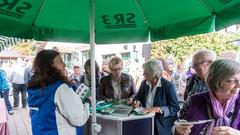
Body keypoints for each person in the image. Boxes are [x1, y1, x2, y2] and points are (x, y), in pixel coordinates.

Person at [27, 50, 89, 135]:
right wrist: (87, 104)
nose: (64, 65)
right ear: (50, 65)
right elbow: (78, 119)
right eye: (60, 61)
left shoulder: (33, 87)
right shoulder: (60, 88)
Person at [175, 59, 240, 135]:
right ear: (215, 81)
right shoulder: (194, 100)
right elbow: (180, 122)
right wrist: (178, 130)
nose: (239, 85)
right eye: (232, 80)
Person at [132, 58, 180, 135]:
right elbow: (138, 97)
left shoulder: (168, 86)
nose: (143, 74)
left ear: (154, 72)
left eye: (146, 72)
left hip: (162, 126)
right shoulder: (144, 83)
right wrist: (136, 102)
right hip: (145, 121)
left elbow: (175, 108)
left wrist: (159, 109)